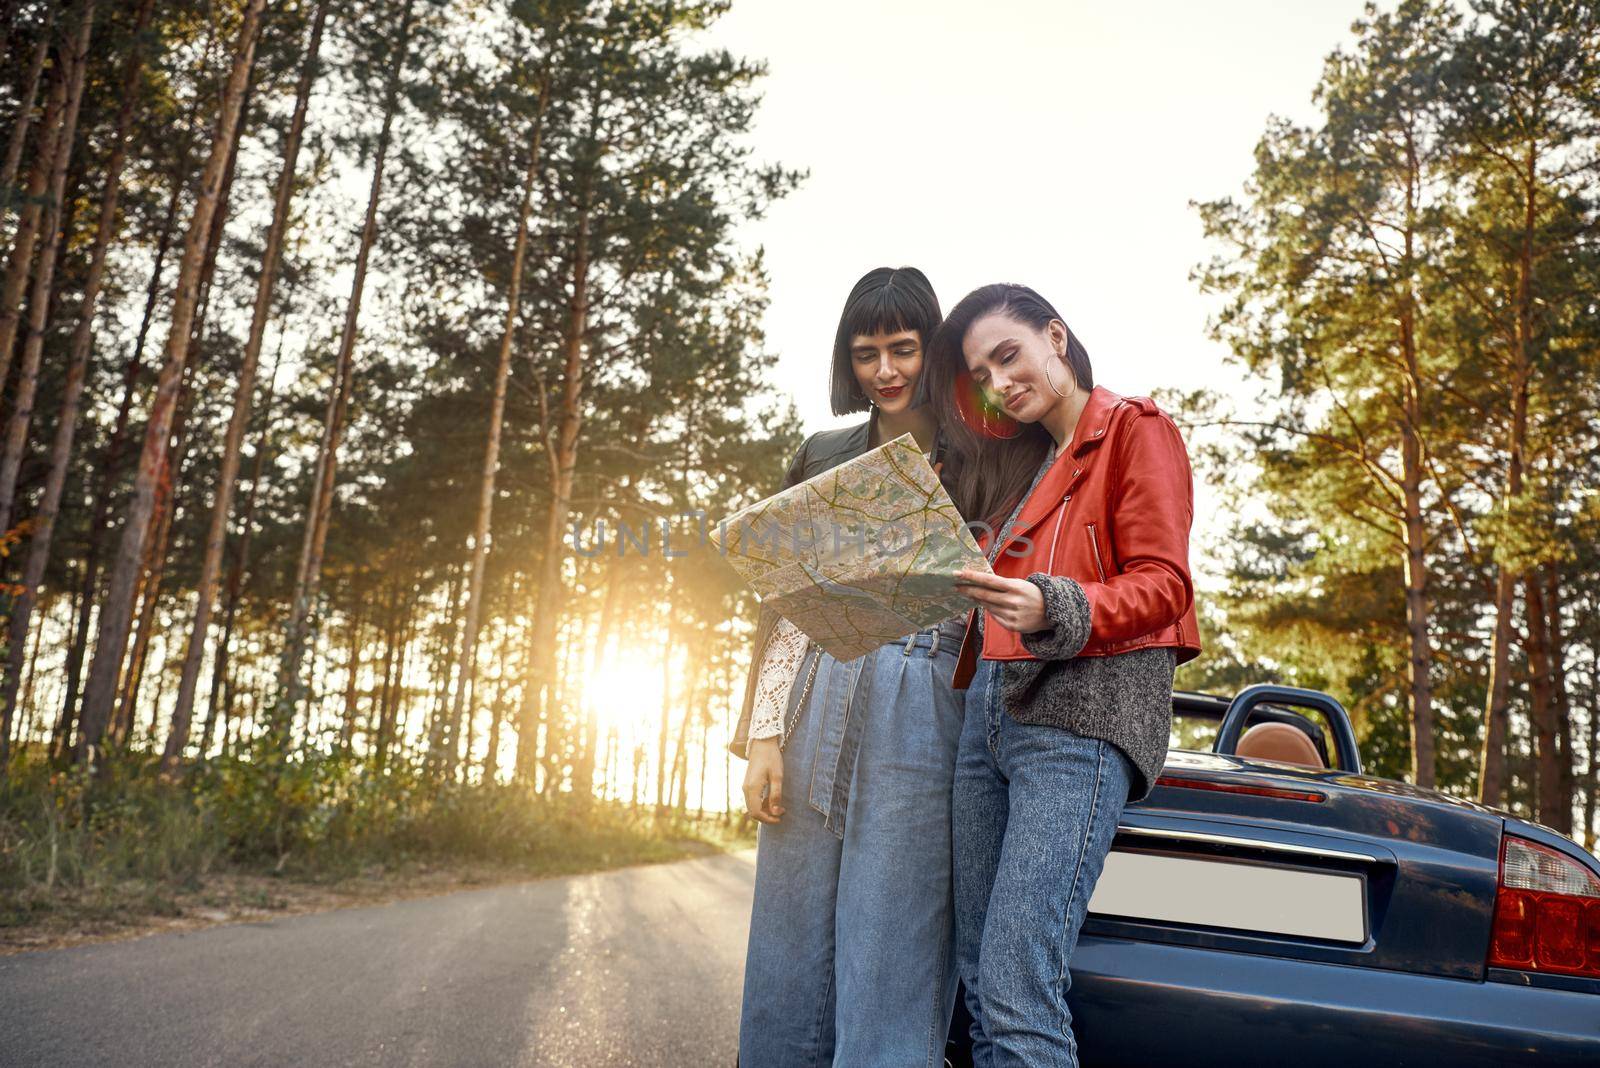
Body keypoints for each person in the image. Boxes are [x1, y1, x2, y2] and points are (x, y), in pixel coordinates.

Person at [922, 282, 1202, 1067]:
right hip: (990, 726)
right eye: (983, 373)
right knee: (980, 981)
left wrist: (1050, 606)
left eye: (1009, 355)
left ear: (1056, 334)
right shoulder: (1029, 466)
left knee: (1016, 982)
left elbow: (1165, 585)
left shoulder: (1132, 429)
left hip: (1079, 726)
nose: (1001, 382)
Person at [730, 266, 967, 1068]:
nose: (887, 371)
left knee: (892, 940)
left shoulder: (984, 453)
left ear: (936, 347)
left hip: (924, 702)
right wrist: (764, 736)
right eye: (867, 354)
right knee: (788, 938)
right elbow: (785, 605)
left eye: (904, 348)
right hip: (815, 691)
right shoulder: (824, 452)